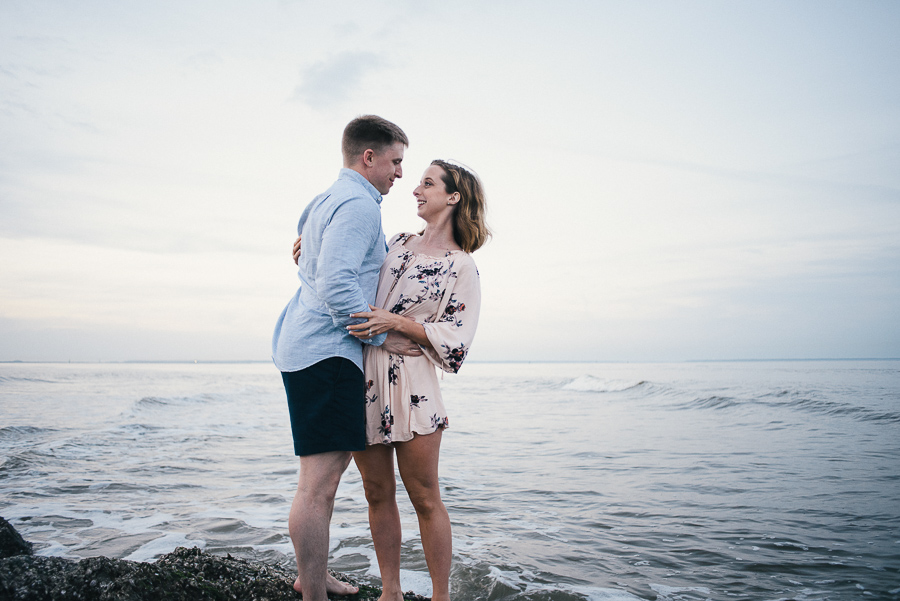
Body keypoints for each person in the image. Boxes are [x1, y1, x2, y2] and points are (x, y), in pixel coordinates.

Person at [271, 114, 408, 601]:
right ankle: (313, 593)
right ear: (368, 157)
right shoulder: (358, 205)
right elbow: (335, 282)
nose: (399, 174)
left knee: (319, 478)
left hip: (306, 345)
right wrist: (378, 338)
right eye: (394, 162)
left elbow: (311, 251)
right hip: (326, 353)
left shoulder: (327, 198)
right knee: (319, 485)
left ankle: (313, 574)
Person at [346, 160, 490, 601]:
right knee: (376, 492)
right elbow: (352, 281)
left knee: (425, 497)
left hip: (417, 386)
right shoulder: (397, 243)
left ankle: (439, 596)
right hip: (365, 377)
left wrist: (403, 325)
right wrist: (309, 252)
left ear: (453, 197)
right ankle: (391, 591)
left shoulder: (461, 267)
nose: (414, 190)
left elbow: (457, 344)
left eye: (427, 183)